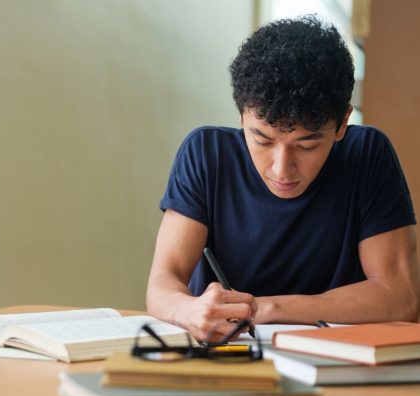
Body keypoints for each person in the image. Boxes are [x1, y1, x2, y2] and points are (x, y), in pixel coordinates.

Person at [146, 15, 420, 343]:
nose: (281, 168)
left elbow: (400, 298)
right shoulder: (206, 154)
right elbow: (162, 284)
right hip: (225, 359)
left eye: (307, 144)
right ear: (241, 116)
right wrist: (187, 310)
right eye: (262, 140)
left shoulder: (367, 156)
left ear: (342, 122)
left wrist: (267, 308)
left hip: (334, 362)